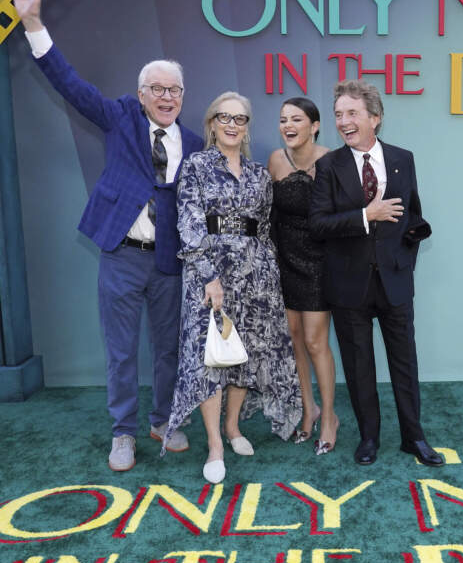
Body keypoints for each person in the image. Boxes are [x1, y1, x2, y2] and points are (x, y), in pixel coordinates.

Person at [10, 0, 200, 471]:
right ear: (141, 95)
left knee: (168, 349)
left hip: (169, 262)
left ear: (182, 95)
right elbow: (68, 83)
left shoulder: (196, 144)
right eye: (156, 88)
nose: (165, 96)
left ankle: (164, 421)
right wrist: (33, 24)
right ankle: (123, 434)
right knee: (120, 353)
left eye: (174, 89)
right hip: (120, 254)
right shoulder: (117, 116)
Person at [166, 92, 301, 483]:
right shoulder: (196, 166)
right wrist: (209, 276)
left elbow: (263, 227)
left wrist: (269, 271)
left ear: (246, 127)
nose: (231, 124)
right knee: (211, 357)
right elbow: (189, 224)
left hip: (255, 275)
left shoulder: (260, 174)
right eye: (224, 117)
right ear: (211, 123)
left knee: (244, 354)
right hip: (210, 276)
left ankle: (234, 427)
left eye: (240, 119)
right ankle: (214, 445)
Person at [309, 80, 443, 467]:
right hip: (349, 283)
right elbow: (318, 225)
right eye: (339, 115)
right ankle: (369, 438)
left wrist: (412, 244)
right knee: (359, 366)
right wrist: (366, 215)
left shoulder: (404, 158)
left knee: (405, 362)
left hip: (395, 281)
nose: (344, 121)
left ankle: (414, 438)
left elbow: (411, 211)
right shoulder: (328, 166)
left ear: (375, 118)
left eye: (352, 113)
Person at [267, 98, 340, 455]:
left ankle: (329, 416)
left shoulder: (332, 160)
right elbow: (270, 216)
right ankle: (307, 411)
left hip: (320, 262)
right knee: (295, 340)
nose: (288, 125)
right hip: (284, 261)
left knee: (315, 342)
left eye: (296, 119)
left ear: (315, 125)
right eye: (283, 119)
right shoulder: (276, 160)